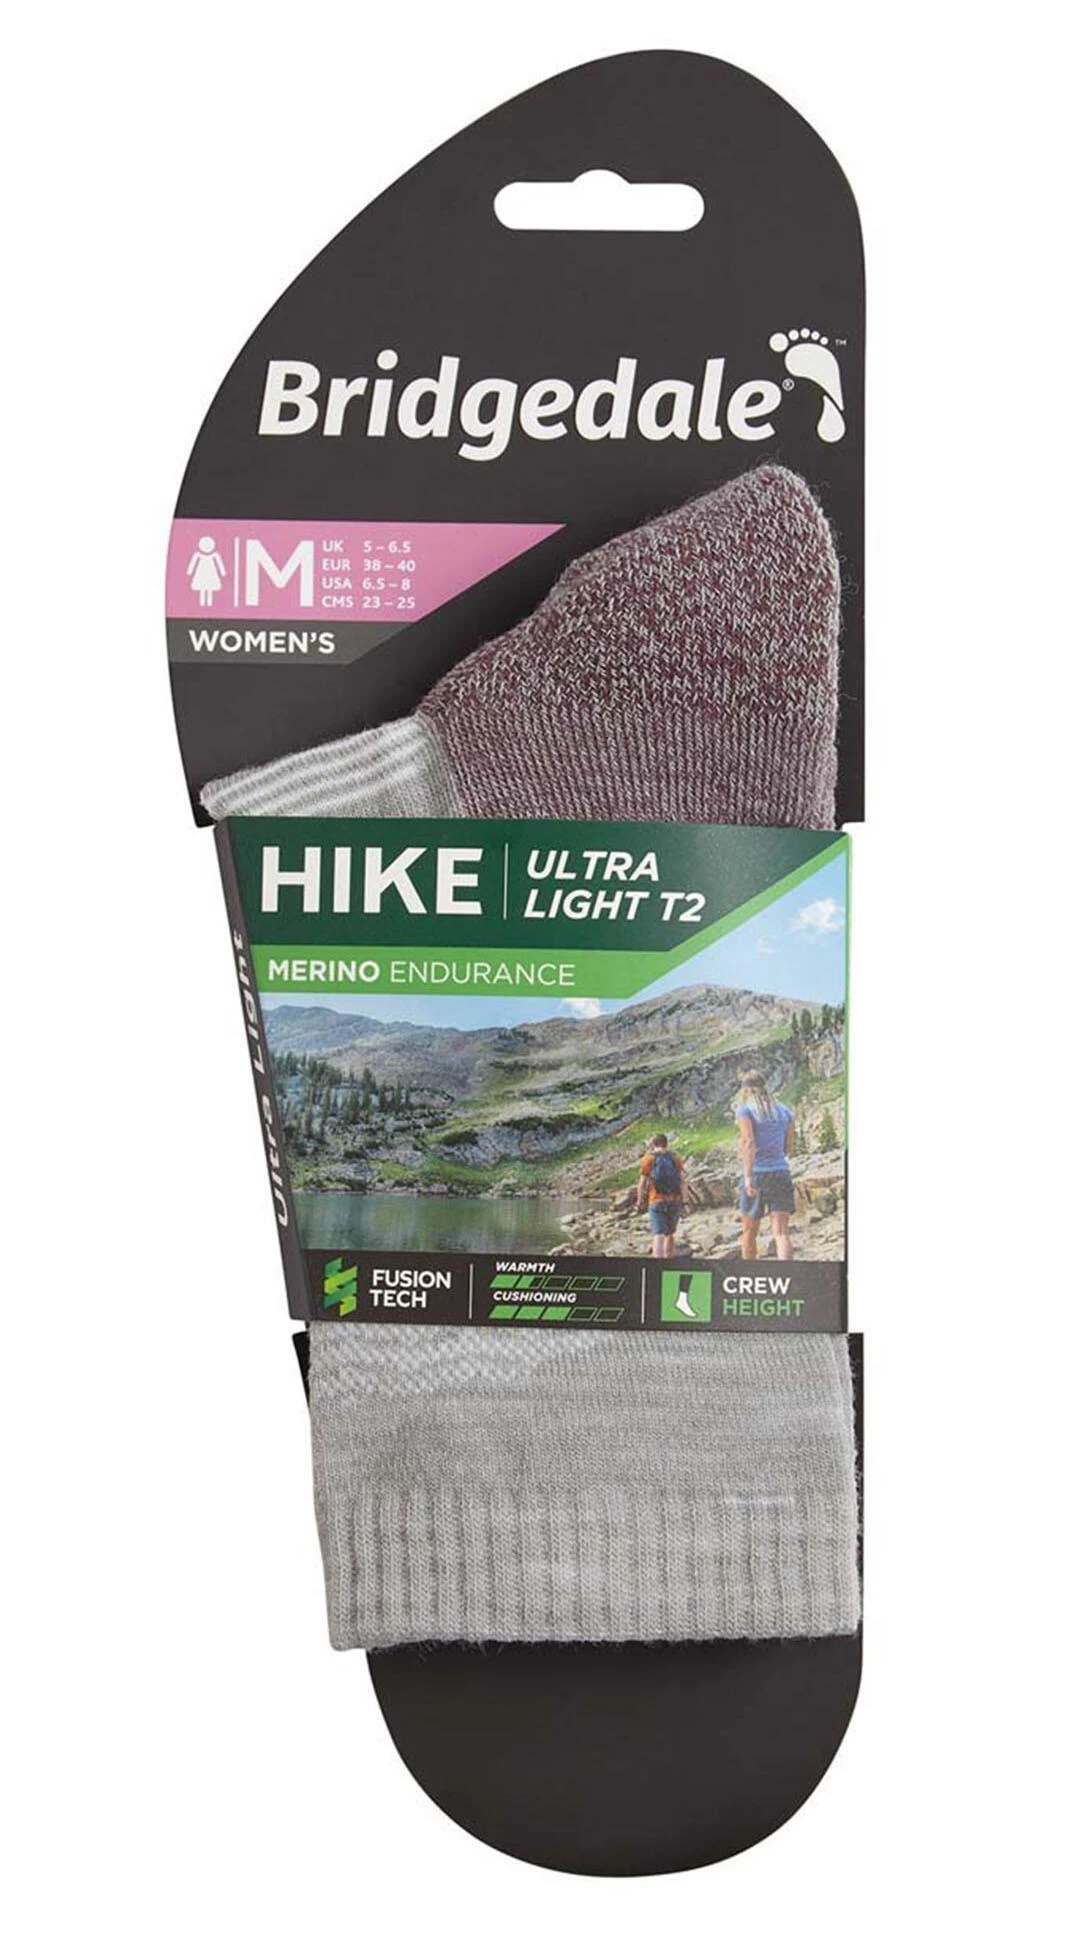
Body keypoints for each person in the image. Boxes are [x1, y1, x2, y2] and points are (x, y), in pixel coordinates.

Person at [735, 1071, 796, 1261]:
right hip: (781, 1171)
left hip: (757, 1173)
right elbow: (789, 1145)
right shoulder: (784, 1111)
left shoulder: (745, 1110)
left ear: (746, 1090)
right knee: (781, 1232)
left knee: (750, 1231)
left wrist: (747, 1177)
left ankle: (748, 1273)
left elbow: (748, 1142)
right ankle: (787, 1273)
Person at [637, 1132, 686, 1259]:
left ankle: (657, 1263)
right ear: (666, 1144)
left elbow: (642, 1183)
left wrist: (640, 1201)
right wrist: (684, 1201)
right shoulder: (675, 1157)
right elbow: (682, 1181)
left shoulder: (649, 1159)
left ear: (653, 1144)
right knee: (669, 1233)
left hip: (656, 1200)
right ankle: (669, 1260)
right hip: (674, 1200)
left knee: (658, 1234)